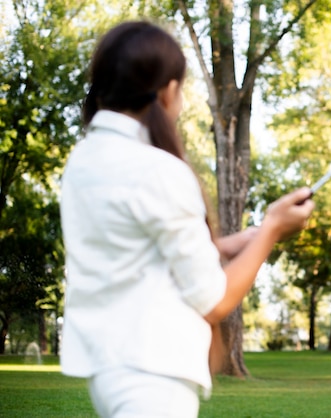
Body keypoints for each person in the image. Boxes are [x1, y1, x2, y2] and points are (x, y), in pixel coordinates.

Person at [59, 21, 315, 418]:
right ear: (169, 90)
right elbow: (214, 300)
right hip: (154, 375)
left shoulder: (83, 160)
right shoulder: (157, 169)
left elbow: (136, 250)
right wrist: (271, 230)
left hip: (107, 371)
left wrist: (230, 245)